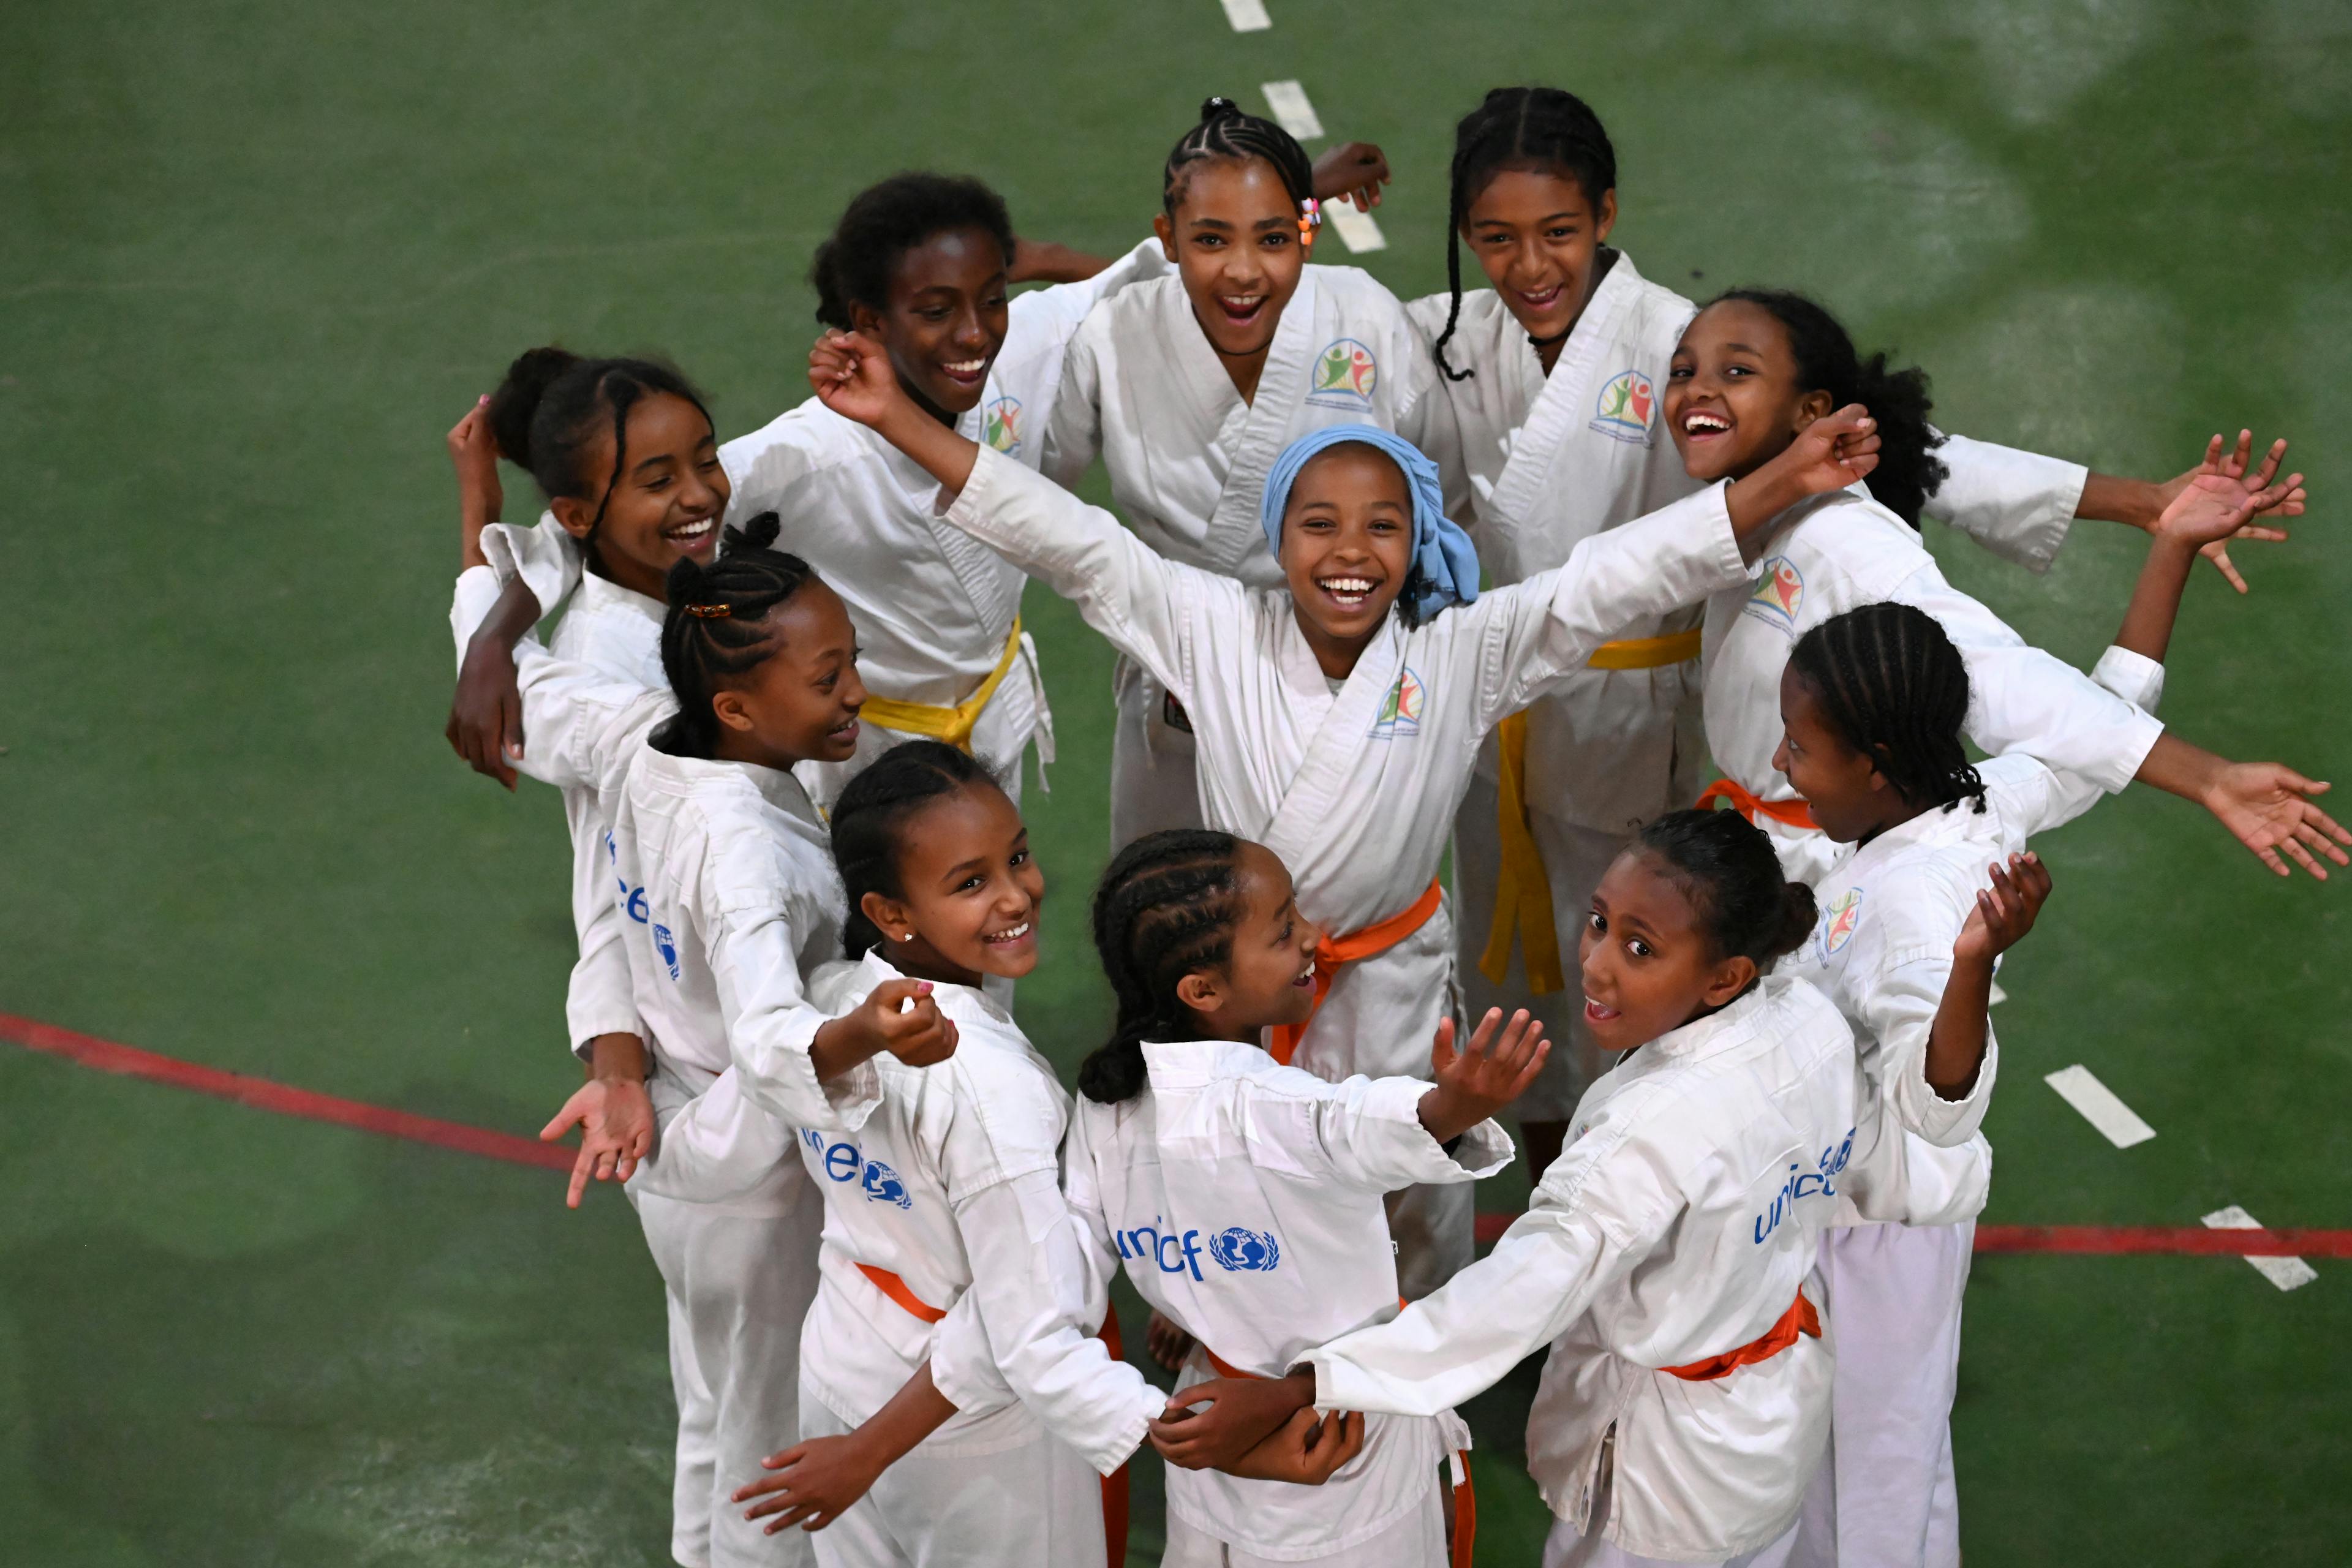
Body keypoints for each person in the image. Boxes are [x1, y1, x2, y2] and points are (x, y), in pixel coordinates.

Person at [813, 323, 1879, 1292]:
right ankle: (1226, 1323)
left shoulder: (1459, 651)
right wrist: (901, 418)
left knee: (1413, 1188)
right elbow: (1069, 538)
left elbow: (1609, 580)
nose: (1351, 553)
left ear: (1417, 545)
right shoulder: (1210, 625)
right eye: (1319, 525)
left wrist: (1783, 477)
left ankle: (1419, 1377)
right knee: (1244, 1180)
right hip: (1240, 989)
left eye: (1383, 527)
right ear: (1280, 543)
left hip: (1394, 982)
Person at [1404, 85, 2304, 1180]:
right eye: (1496, 239)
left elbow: (1967, 599)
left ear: (1606, 213)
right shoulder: (1468, 347)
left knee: (1725, 1064)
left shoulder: (1814, 511)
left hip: (1717, 792)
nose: (1530, 264)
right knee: (1582, 991)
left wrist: (2198, 764)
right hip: (1574, 737)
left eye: (1557, 231)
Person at [1765, 471, 2297, 1568]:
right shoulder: (1971, 804)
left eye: (1800, 749)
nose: (1781, 762)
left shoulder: (1924, 911)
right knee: (1894, 1472)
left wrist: (1970, 969)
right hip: (1855, 1224)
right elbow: (2109, 721)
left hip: (1879, 1239)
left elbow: (1941, 1103)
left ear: (1872, 765)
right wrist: (2170, 549)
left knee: (1863, 1482)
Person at [1230, 810, 1989, 1567]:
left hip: (1663, 1475)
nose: (1595, 964)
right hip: (1771, 1424)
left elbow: (1512, 1298)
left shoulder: (1650, 1131)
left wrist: (1314, 1382)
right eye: (1599, 922)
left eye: (1639, 947)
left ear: (1726, 975)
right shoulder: (1810, 1024)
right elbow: (1885, 1167)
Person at [454, 518, 962, 1568]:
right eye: (830, 679)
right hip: (750, 1178)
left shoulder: (639, 731)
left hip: (667, 1145)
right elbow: (776, 1039)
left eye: (852, 660)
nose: (857, 693)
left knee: (715, 1401)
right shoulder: (745, 855)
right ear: (737, 706)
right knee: (769, 1436)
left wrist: (486, 577)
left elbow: (522, 687)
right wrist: (863, 1025)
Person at [447, 173, 1166, 813]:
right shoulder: (799, 458)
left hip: (996, 709)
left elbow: (1157, 294)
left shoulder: (1025, 348)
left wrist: (1047, 261)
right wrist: (491, 639)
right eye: (936, 309)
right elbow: (604, 533)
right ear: (869, 322)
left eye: (991, 298)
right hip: (866, 751)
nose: (974, 333)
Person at [1671, 288, 2344, 887]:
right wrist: (2144, 506)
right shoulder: (1762, 503)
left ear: (1811, 412)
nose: (1699, 389)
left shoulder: (1842, 544)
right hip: (1762, 849)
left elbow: (1999, 676)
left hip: (1823, 873)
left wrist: (2209, 777)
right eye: (1682, 370)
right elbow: (1929, 455)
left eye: (1737, 371)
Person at [718, 740, 1167, 1567]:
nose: (1016, 895)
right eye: (971, 882)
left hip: (842, 1370)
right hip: (967, 1436)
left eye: (1018, 857)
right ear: (892, 914)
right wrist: (869, 1455)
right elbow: (1016, 1317)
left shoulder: (828, 1005)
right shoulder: (994, 1094)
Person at [1068, 829, 1545, 1567]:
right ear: (1203, 990)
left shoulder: (1107, 1103)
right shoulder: (1279, 1106)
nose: (1314, 940)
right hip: (1340, 1446)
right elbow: (1353, 1124)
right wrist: (1450, 1109)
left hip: (1209, 1421)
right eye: (1285, 930)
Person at [1041, 97, 1464, 847]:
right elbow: (1041, 498)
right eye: (1210, 240)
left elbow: (1433, 486)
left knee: (1342, 913)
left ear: (1308, 230)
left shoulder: (1363, 317)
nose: (1243, 273)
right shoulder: (1114, 337)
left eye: (1273, 239)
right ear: (1167, 240)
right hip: (1182, 692)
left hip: (1345, 681)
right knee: (1172, 921)